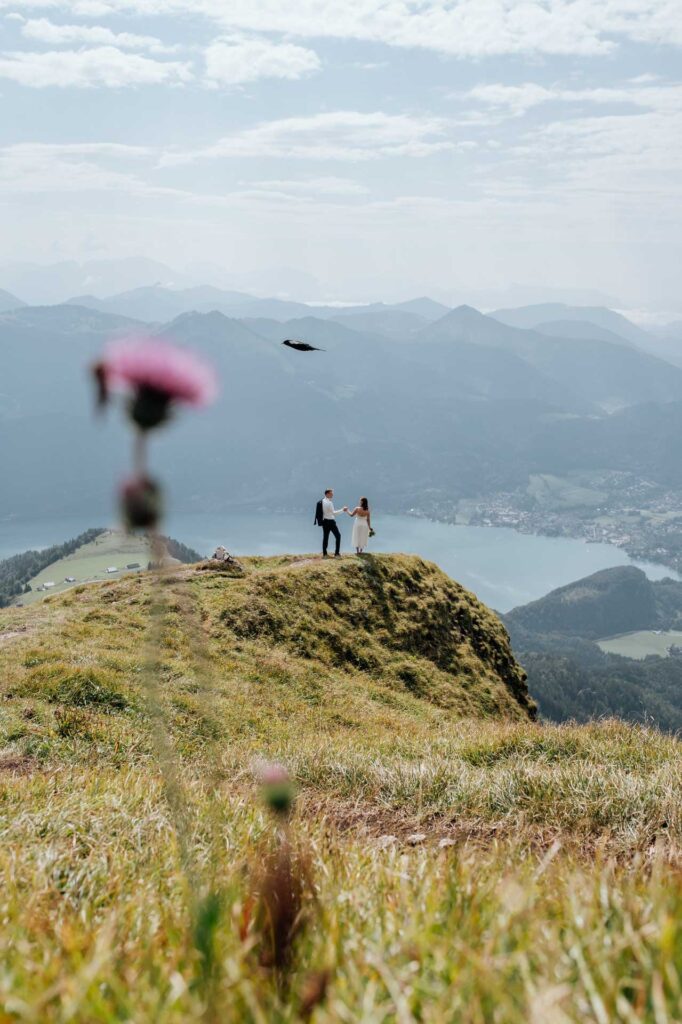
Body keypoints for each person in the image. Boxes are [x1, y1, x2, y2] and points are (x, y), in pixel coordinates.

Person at [321, 488, 347, 557]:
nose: (332, 494)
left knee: (325, 537)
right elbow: (334, 513)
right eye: (331, 493)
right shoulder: (329, 502)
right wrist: (343, 510)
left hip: (324, 521)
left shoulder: (321, 502)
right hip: (331, 522)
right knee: (338, 536)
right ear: (327, 494)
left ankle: (325, 553)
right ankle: (337, 553)